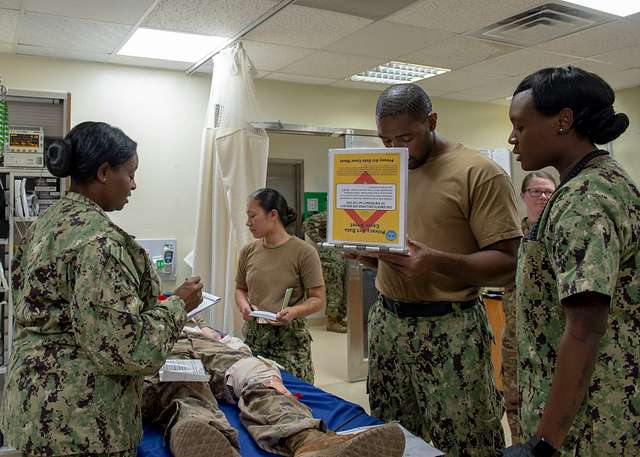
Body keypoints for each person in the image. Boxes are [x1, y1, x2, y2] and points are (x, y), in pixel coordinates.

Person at [0, 121, 203, 456]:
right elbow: (129, 351)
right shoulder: (99, 243)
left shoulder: (45, 225)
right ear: (105, 172)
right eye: (131, 173)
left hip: (34, 409)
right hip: (80, 425)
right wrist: (179, 304)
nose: (134, 185)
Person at [356, 83, 522, 456]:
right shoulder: (386, 172)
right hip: (388, 324)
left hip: (451, 329)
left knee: (468, 441)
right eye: (386, 140)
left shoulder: (478, 173)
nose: (396, 149)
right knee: (392, 437)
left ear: (431, 121)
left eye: (406, 137)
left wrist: (435, 261)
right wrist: (369, 253)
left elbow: (509, 264)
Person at [499, 66, 639, 456]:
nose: (513, 138)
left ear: (564, 121)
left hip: (587, 426)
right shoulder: (598, 183)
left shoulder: (585, 199)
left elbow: (585, 328)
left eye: (521, 126)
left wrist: (544, 443)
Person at [143, 317, 406, 457]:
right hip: (168, 345)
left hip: (210, 345)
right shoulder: (142, 311)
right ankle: (205, 438)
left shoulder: (197, 320)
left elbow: (226, 340)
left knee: (259, 376)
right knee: (186, 387)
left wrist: (219, 337)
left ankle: (309, 441)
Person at [235, 188, 325, 383]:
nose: (248, 223)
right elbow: (240, 289)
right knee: (257, 397)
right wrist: (244, 305)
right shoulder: (248, 251)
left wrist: (294, 311)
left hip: (289, 344)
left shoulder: (304, 252)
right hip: (255, 339)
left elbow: (318, 299)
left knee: (294, 401)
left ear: (273, 215)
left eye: (253, 216)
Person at [502, 171, 557, 443]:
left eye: (548, 192)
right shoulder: (512, 239)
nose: (543, 198)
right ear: (523, 196)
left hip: (548, 343)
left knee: (546, 408)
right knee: (513, 402)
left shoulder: (559, 234)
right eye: (536, 192)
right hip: (514, 340)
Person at [303, 211, 348, 333]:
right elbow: (307, 223)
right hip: (330, 256)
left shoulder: (347, 215)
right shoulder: (329, 215)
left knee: (343, 289)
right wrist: (321, 242)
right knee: (334, 289)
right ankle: (332, 321)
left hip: (341, 255)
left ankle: (339, 318)